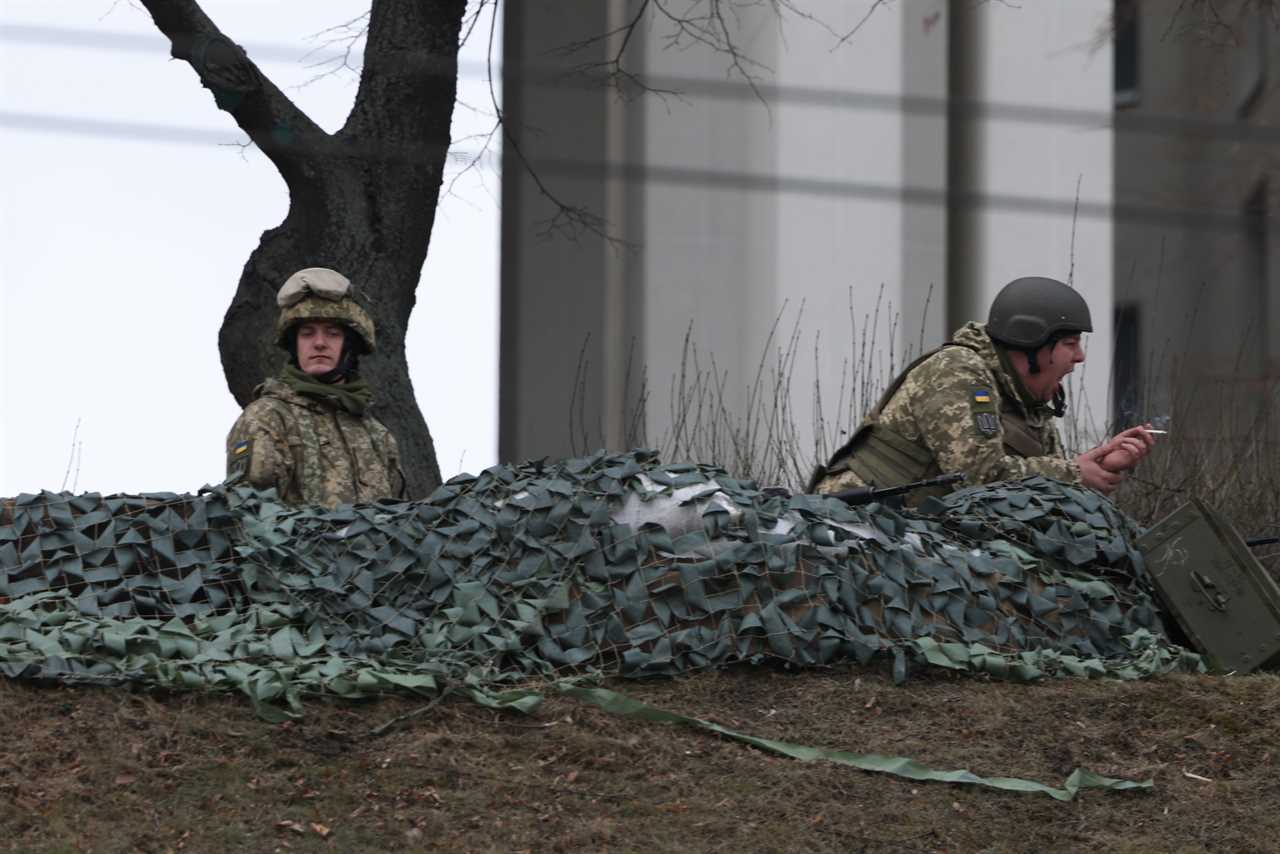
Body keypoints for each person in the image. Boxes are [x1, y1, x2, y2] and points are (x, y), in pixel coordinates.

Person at [811, 276, 1155, 503]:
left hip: (911, 537)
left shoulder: (1027, 405)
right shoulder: (958, 372)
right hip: (851, 528)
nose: (1079, 357)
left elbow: (1038, 488)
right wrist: (1076, 473)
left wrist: (1100, 464)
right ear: (1031, 344)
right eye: (1069, 343)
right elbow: (978, 478)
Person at [225, 267, 405, 508]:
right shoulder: (269, 417)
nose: (319, 343)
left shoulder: (377, 436)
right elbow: (250, 515)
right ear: (294, 344)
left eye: (332, 334)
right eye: (307, 334)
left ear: (349, 346)